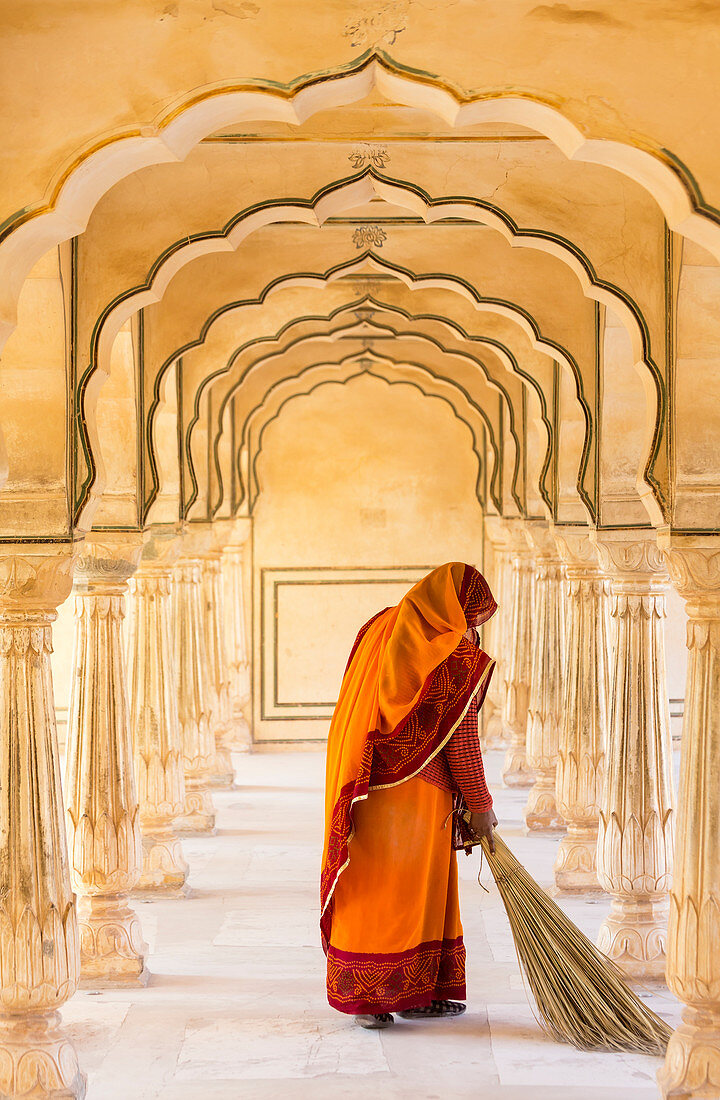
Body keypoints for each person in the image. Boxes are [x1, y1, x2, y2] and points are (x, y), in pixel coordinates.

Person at [320, 562, 498, 1030]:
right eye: (472, 619)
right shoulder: (451, 652)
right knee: (413, 889)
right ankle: (400, 993)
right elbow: (461, 739)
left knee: (373, 883)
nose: (472, 630)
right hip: (418, 792)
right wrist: (480, 805)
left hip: (364, 781)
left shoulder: (381, 624)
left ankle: (383, 995)